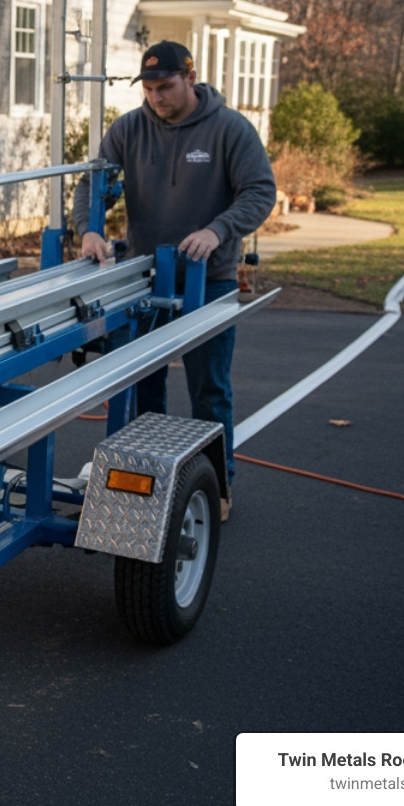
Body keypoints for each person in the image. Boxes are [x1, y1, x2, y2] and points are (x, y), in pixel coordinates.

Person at [70, 40, 275, 519]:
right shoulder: (128, 128)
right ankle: (147, 484)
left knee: (210, 391)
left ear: (190, 77)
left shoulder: (229, 129)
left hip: (212, 280)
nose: (156, 97)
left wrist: (217, 229)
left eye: (165, 87)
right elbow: (91, 183)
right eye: (148, 88)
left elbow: (260, 190)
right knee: (144, 386)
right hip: (144, 281)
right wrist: (90, 228)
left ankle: (217, 487)